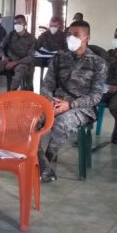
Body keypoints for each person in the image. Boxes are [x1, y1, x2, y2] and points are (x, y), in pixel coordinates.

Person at [38, 20, 106, 182]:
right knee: (29, 120)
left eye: (76, 35)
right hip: (55, 103)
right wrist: (49, 101)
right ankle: (43, 163)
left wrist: (70, 105)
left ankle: (47, 160)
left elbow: (96, 96)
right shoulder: (59, 59)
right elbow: (46, 85)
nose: (71, 38)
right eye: (69, 34)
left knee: (61, 122)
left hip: (81, 108)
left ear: (87, 38)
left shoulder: (98, 63)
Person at [0, 14, 36, 105]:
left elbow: (30, 57)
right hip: (8, 60)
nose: (17, 25)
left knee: (19, 72)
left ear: (25, 23)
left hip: (22, 62)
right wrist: (3, 57)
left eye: (19, 23)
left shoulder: (31, 38)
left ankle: (9, 99)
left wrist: (15, 63)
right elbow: (0, 48)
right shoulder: (11, 35)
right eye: (15, 23)